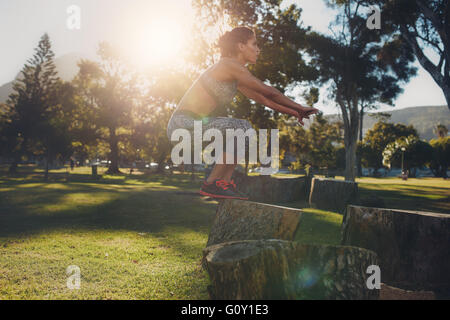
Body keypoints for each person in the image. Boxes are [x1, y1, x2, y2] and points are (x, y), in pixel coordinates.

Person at [167, 26, 318, 200]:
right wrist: (300, 107)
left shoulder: (235, 75)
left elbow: (265, 100)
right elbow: (269, 91)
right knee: (243, 128)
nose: (258, 49)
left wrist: (295, 113)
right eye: (254, 44)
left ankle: (222, 183)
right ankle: (212, 183)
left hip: (194, 126)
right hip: (183, 124)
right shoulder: (228, 65)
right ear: (240, 46)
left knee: (244, 132)